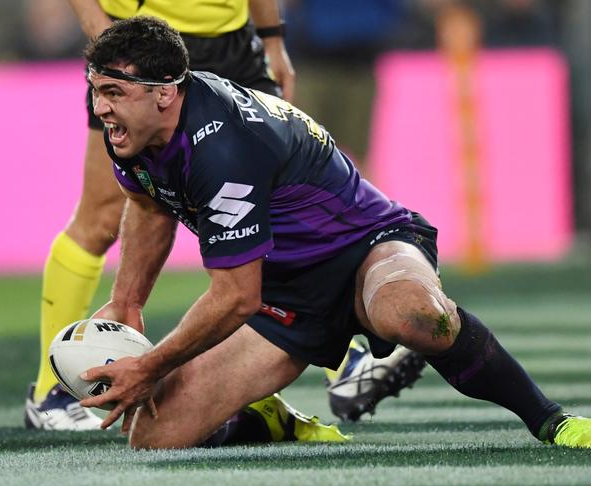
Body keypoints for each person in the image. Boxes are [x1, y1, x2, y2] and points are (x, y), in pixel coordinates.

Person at [75, 16, 591, 450]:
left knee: (415, 315)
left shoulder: (224, 147)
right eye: (96, 90)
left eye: (114, 92)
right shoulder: (132, 129)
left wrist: (149, 366)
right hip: (289, 291)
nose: (101, 109)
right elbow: (147, 205)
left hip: (366, 247)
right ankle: (266, 421)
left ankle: (550, 419)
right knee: (153, 438)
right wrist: (126, 303)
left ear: (165, 94)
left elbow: (238, 295)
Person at [26, 0, 424, 432]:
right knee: (104, 218)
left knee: (273, 201)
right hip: (141, 51)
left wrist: (271, 37)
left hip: (233, 42)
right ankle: (52, 394)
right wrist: (106, 41)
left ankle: (342, 358)